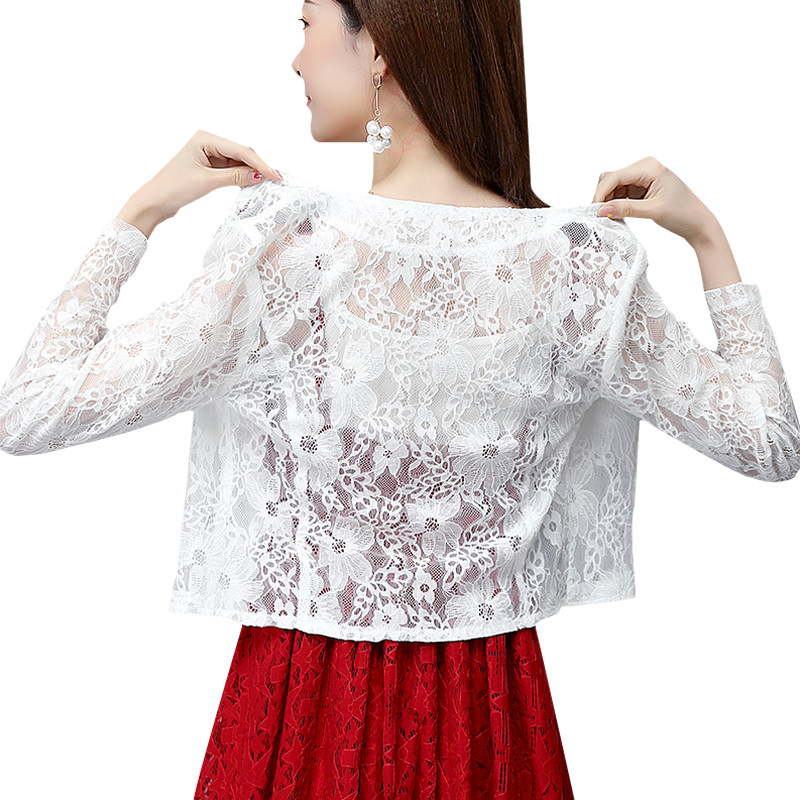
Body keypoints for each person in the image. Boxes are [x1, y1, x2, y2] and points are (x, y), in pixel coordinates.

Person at [1, 1, 798, 798]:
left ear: (378, 43)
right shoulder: (577, 272)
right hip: (491, 724)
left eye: (306, 22)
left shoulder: (291, 256)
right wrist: (707, 237)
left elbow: (30, 408)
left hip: (301, 713)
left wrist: (143, 210)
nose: (296, 58)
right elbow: (769, 440)